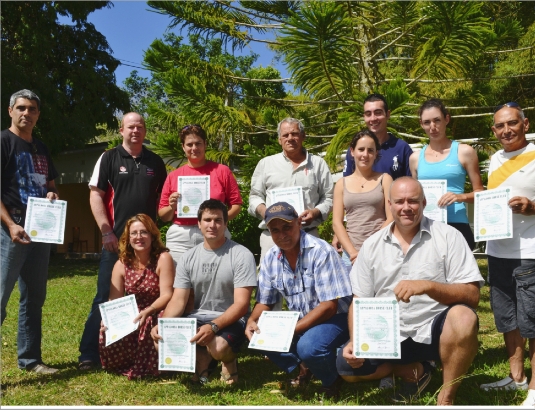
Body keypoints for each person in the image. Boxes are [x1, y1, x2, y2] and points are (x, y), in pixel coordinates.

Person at [336, 177, 484, 405]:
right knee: (346, 368)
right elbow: (359, 300)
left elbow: (472, 295)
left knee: (464, 317)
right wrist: (356, 341)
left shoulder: (448, 236)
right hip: (387, 334)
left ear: (424, 203)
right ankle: (414, 369)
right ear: (389, 205)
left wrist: (429, 286)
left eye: (413, 201)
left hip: (433, 330)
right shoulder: (372, 245)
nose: (406, 207)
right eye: (399, 201)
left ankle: (446, 396)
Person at [78, 112, 167, 371]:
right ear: (121, 130)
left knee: (150, 298)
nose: (135, 131)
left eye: (140, 126)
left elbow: (163, 200)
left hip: (148, 245)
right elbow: (96, 195)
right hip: (116, 243)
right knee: (105, 297)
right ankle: (89, 353)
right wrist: (106, 231)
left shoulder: (155, 162)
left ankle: (141, 350)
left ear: (145, 130)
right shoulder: (109, 158)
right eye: (130, 127)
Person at [246, 202, 353, 400]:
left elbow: (329, 307)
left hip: (337, 317)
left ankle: (331, 380)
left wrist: (290, 330)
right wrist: (252, 321)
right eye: (275, 230)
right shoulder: (270, 258)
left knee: (309, 347)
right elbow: (265, 301)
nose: (282, 234)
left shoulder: (321, 251)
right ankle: (303, 367)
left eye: (287, 227)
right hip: (302, 319)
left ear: (298, 223)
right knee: (258, 334)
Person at [151, 199, 257, 385]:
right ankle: (203, 360)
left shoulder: (242, 255)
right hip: (197, 317)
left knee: (219, 347)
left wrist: (213, 326)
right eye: (207, 220)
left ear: (225, 224)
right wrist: (165, 323)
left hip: (232, 318)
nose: (212, 225)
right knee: (161, 340)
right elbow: (178, 300)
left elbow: (241, 305)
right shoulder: (188, 258)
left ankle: (228, 360)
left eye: (218, 220)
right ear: (199, 224)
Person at [478, 102, 535, 407]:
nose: (506, 130)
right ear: (494, 130)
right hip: (497, 250)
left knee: (533, 321)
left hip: (530, 252)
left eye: (512, 123)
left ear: (525, 124)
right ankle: (517, 378)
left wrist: (532, 206)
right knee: (507, 318)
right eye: (500, 126)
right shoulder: (495, 159)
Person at [1, 89, 60, 374]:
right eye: (22, 108)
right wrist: (11, 225)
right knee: (1, 296)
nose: (27, 113)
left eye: (32, 109)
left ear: (38, 114)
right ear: (10, 111)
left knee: (34, 298)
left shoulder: (41, 147)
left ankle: (30, 359)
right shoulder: (3, 142)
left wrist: (52, 194)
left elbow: (51, 185)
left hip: (40, 230)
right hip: (10, 230)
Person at [99, 214, 174, 379]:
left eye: (144, 232)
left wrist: (148, 311)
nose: (138, 237)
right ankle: (124, 363)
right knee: (107, 328)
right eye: (134, 233)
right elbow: (114, 299)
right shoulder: (121, 264)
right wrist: (108, 317)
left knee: (149, 322)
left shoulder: (163, 258)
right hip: (132, 311)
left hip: (157, 309)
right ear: (128, 238)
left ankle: (153, 365)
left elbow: (167, 294)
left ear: (152, 236)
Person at [248, 117, 333, 263]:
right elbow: (255, 197)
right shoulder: (266, 164)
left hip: (308, 235)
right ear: (279, 140)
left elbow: (329, 197)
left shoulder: (318, 164)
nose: (290, 138)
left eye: (294, 134)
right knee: (273, 277)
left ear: (303, 136)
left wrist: (315, 212)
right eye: (285, 135)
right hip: (273, 238)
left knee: (313, 276)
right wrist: (265, 212)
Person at [158, 124, 242, 265]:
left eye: (198, 143)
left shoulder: (222, 171)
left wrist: (220, 221)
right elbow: (163, 215)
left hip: (215, 231)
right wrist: (172, 206)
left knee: (217, 275)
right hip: (181, 237)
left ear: (205, 144)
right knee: (179, 277)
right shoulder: (174, 176)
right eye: (189, 144)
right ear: (183, 147)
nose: (194, 148)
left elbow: (236, 204)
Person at [409, 98, 483, 250]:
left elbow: (480, 193)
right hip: (426, 225)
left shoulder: (464, 152)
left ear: (446, 119)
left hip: (457, 225)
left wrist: (460, 197)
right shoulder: (415, 158)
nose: (433, 127)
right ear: (421, 124)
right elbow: (415, 196)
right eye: (427, 122)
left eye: (437, 120)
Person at [332, 129, 393, 268]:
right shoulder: (341, 184)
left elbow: (392, 217)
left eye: (370, 150)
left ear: (376, 153)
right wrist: (353, 253)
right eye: (361, 149)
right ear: (352, 151)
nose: (365, 154)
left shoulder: (385, 179)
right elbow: (337, 223)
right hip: (350, 255)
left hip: (379, 250)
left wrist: (370, 247)